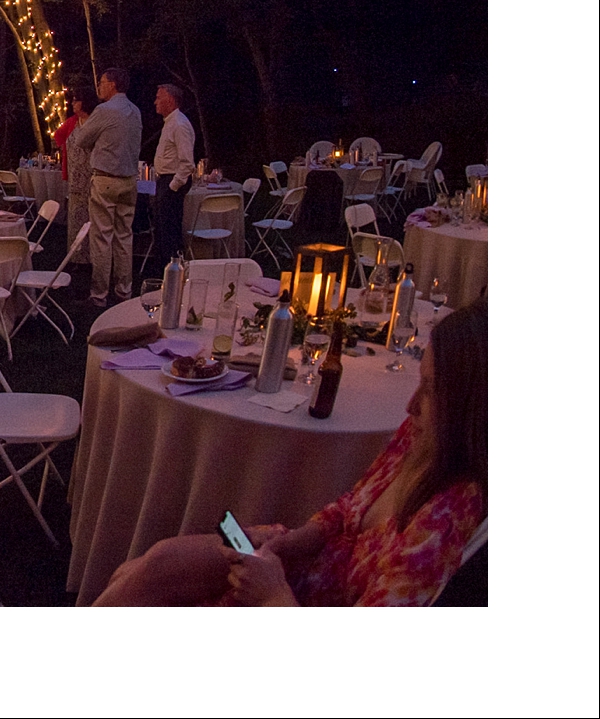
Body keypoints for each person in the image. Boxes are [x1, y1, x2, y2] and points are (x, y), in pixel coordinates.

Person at [96, 299, 487, 607]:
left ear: (473, 407)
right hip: (297, 565)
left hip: (295, 600)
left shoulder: (445, 522)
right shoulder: (416, 438)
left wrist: (271, 594)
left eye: (433, 391)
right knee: (152, 565)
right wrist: (297, 541)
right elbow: (349, 508)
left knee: (141, 580)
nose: (411, 406)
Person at [68, 67, 142, 304]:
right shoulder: (136, 111)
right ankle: (124, 290)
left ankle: (99, 293)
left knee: (101, 238)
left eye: (101, 82)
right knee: (124, 236)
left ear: (112, 84)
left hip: (106, 179)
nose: (99, 87)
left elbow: (80, 139)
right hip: (130, 180)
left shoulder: (104, 110)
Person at [148, 82, 196, 274]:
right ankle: (163, 270)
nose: (154, 102)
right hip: (165, 180)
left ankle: (173, 271)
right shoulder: (171, 123)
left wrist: (173, 187)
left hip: (172, 181)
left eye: (159, 97)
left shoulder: (179, 124)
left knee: (170, 229)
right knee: (161, 228)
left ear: (170, 99)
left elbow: (187, 163)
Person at [63, 87, 99, 264]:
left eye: (77, 100)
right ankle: (75, 257)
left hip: (89, 178)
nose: (73, 103)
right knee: (75, 217)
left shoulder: (94, 124)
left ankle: (90, 258)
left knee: (90, 219)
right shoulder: (75, 123)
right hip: (75, 178)